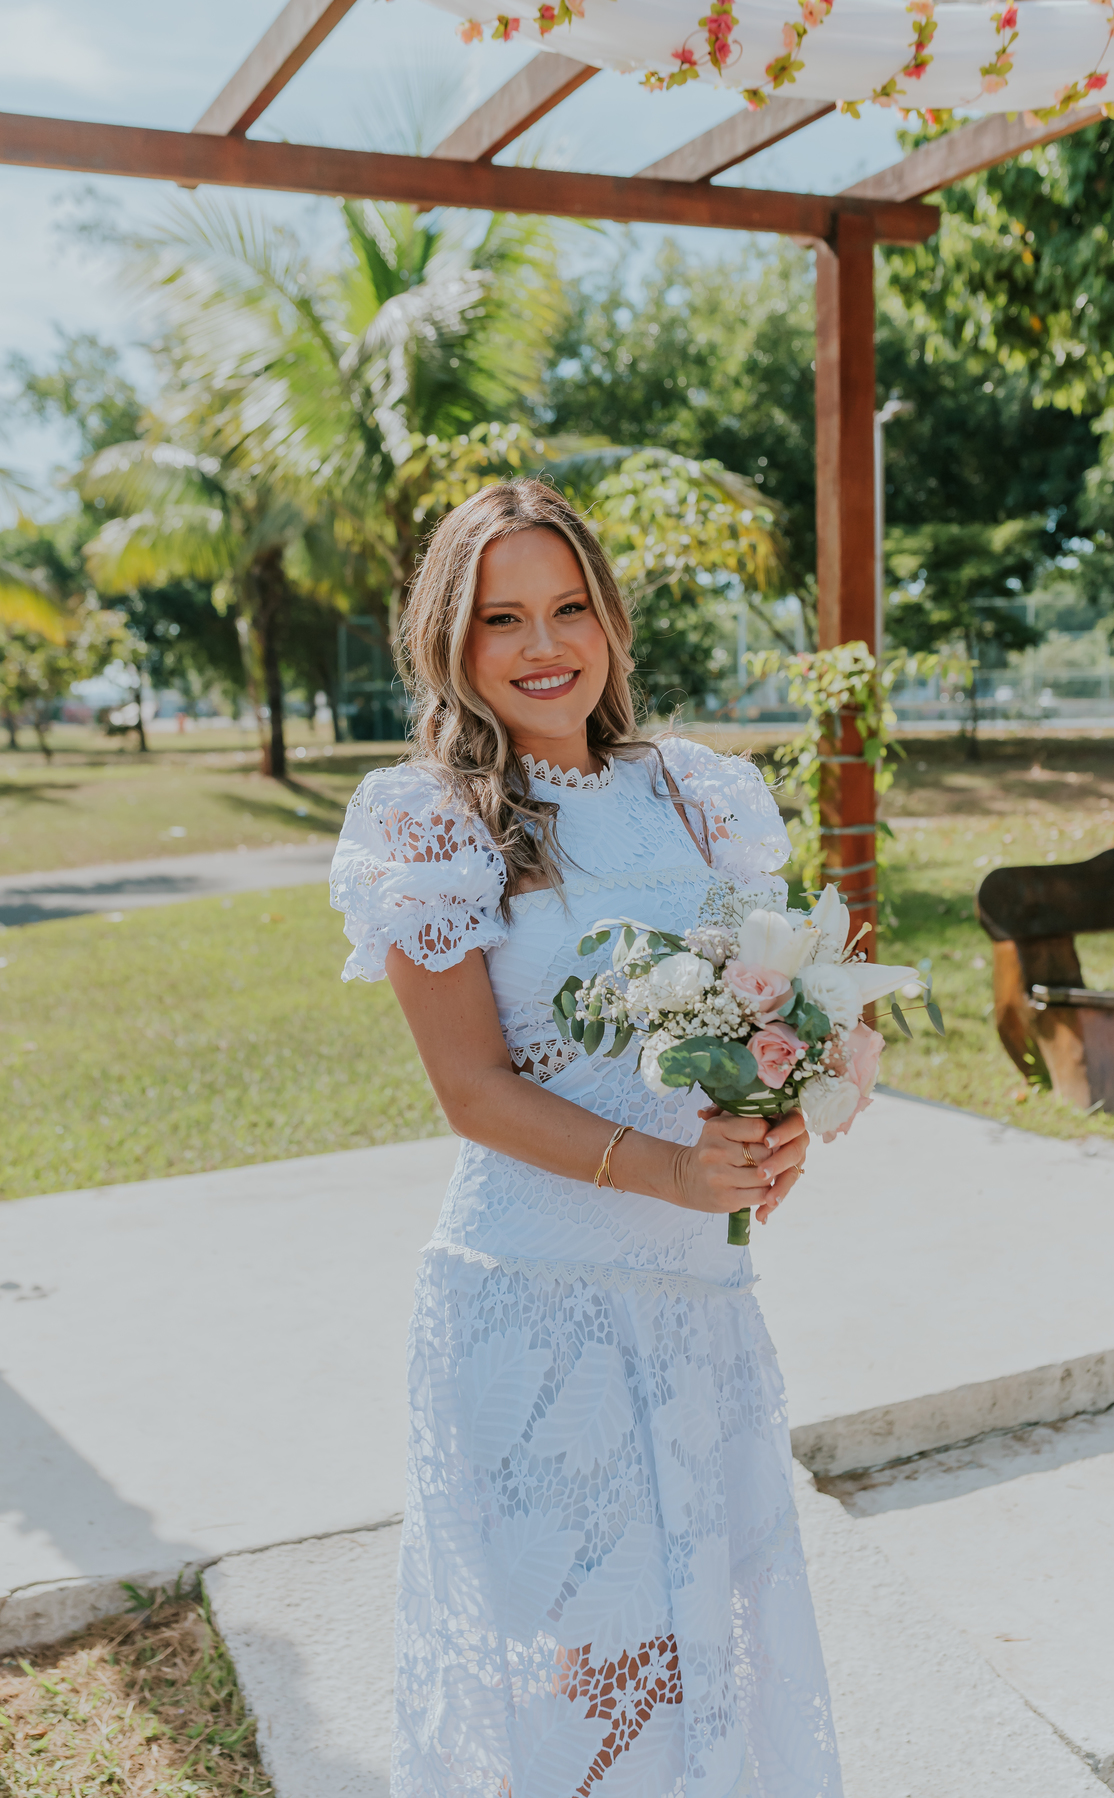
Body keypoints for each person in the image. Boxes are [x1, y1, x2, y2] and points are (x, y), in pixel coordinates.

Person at [331, 479, 842, 1798]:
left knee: (707, 1646)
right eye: (502, 616)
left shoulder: (700, 794)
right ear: (453, 637)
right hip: (535, 1302)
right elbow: (473, 1089)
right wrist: (672, 1166)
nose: (543, 642)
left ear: (612, 620)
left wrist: (784, 1125)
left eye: (568, 607)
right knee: (582, 1675)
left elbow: (773, 994)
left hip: (697, 1302)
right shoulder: (430, 820)